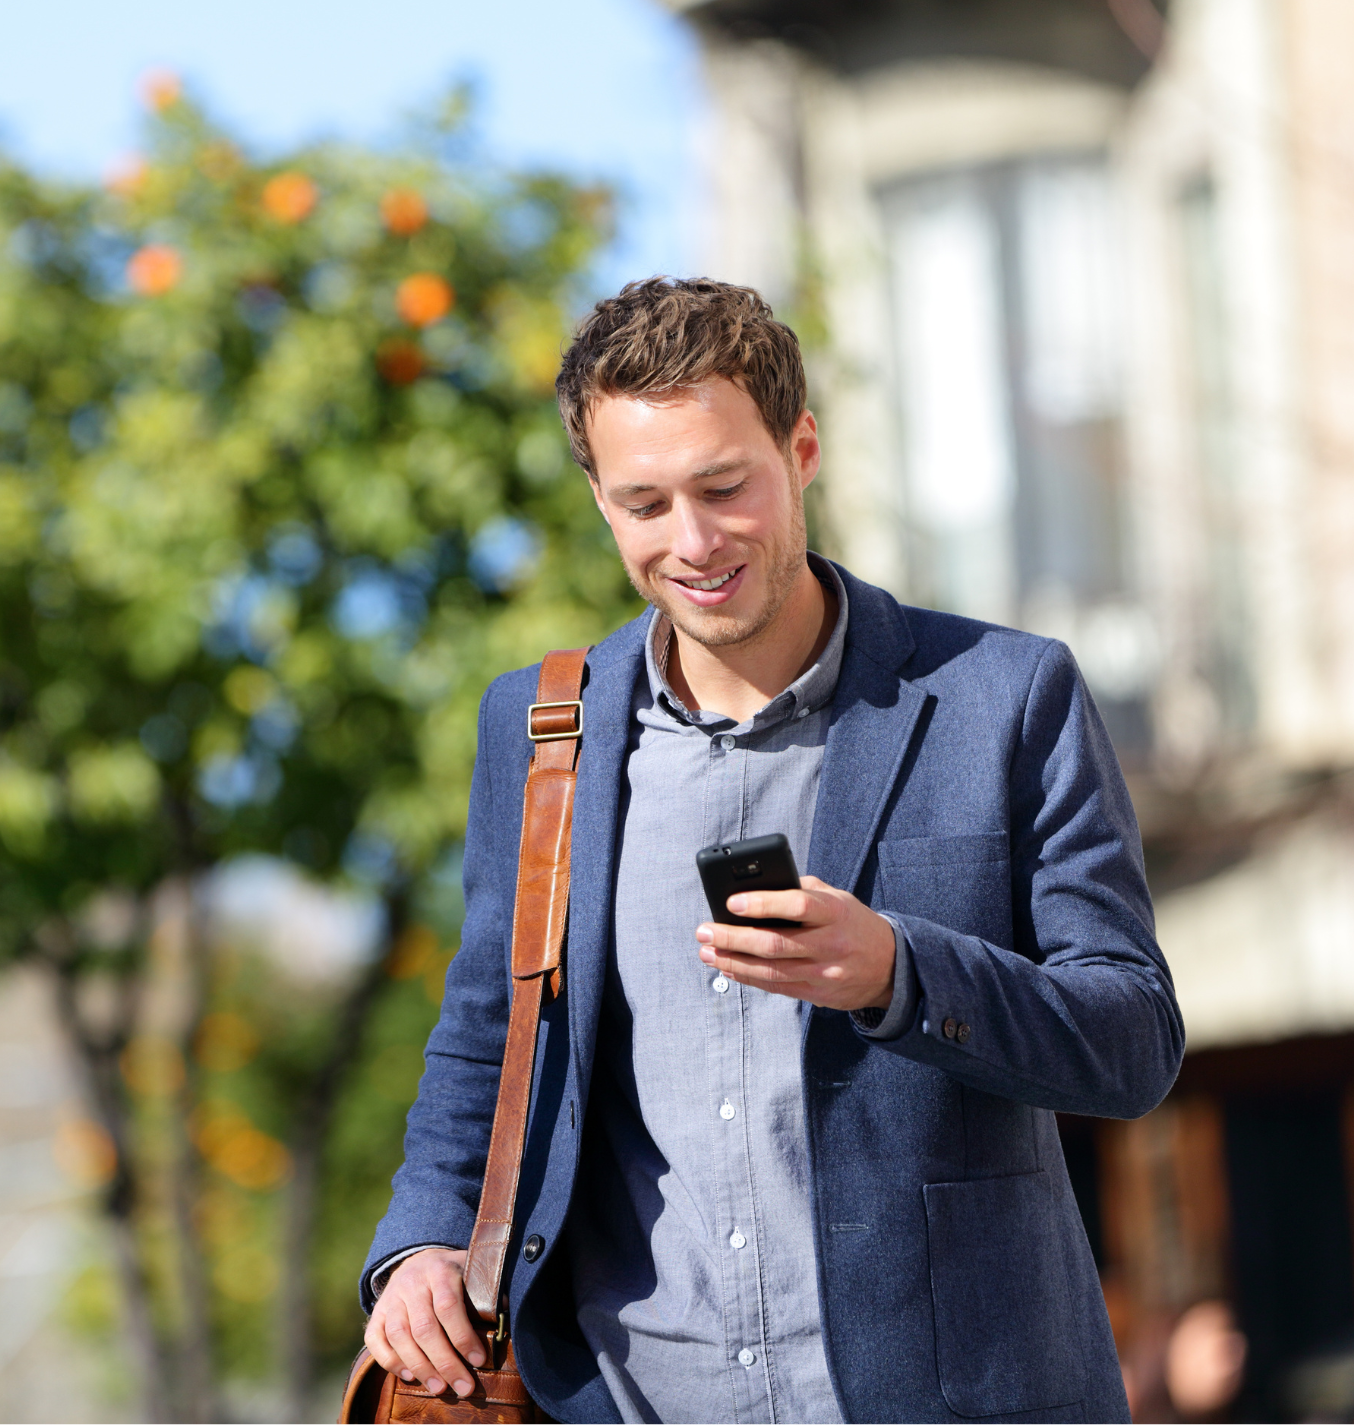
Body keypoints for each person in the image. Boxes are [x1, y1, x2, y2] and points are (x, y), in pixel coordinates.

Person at [358, 277, 1184, 1423]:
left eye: (721, 487)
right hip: (623, 1397)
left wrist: (898, 974)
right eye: (643, 504)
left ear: (799, 450)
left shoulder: (1005, 695)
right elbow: (491, 1029)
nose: (690, 542)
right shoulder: (542, 730)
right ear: (597, 499)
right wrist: (421, 1241)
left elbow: (1131, 1039)